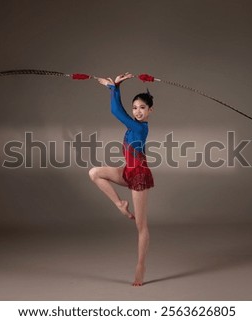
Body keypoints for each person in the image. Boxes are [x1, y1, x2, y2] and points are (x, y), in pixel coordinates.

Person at [89, 72, 154, 286]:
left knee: (141, 227)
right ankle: (120, 204)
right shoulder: (131, 124)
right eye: (135, 107)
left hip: (139, 176)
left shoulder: (140, 127)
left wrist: (113, 87)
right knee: (94, 173)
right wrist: (115, 87)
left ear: (150, 111)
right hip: (127, 171)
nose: (137, 111)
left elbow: (115, 111)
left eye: (142, 108)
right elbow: (119, 110)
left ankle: (140, 267)